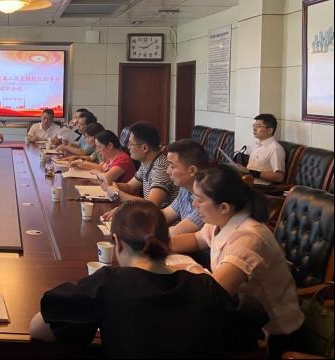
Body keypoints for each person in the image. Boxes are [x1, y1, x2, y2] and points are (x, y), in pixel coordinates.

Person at [30, 200, 259, 358]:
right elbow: (244, 338)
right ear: (167, 241)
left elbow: (38, 329)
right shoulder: (204, 286)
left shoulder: (108, 283)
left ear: (117, 243)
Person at [171, 166, 303, 357]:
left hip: (271, 334)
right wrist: (154, 244)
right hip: (242, 313)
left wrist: (184, 269)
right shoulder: (223, 220)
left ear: (224, 207)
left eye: (200, 199)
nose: (193, 203)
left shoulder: (248, 238)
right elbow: (196, 239)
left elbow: (213, 293)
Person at [106, 122, 177, 209]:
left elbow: (151, 205)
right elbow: (130, 187)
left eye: (130, 144)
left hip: (160, 216)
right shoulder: (146, 162)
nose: (128, 147)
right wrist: (114, 185)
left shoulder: (161, 167)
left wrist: (117, 194)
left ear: (144, 148)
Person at [162, 139, 208, 237]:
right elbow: (164, 215)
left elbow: (174, 233)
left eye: (172, 166)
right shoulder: (185, 189)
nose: (167, 171)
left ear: (192, 170)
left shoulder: (207, 198)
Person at [237, 114, 286, 184]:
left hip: (260, 186)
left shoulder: (275, 149)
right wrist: (242, 169)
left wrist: (252, 172)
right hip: (248, 181)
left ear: (270, 130)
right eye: (254, 126)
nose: (254, 129)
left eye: (259, 126)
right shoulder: (256, 145)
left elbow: (279, 177)